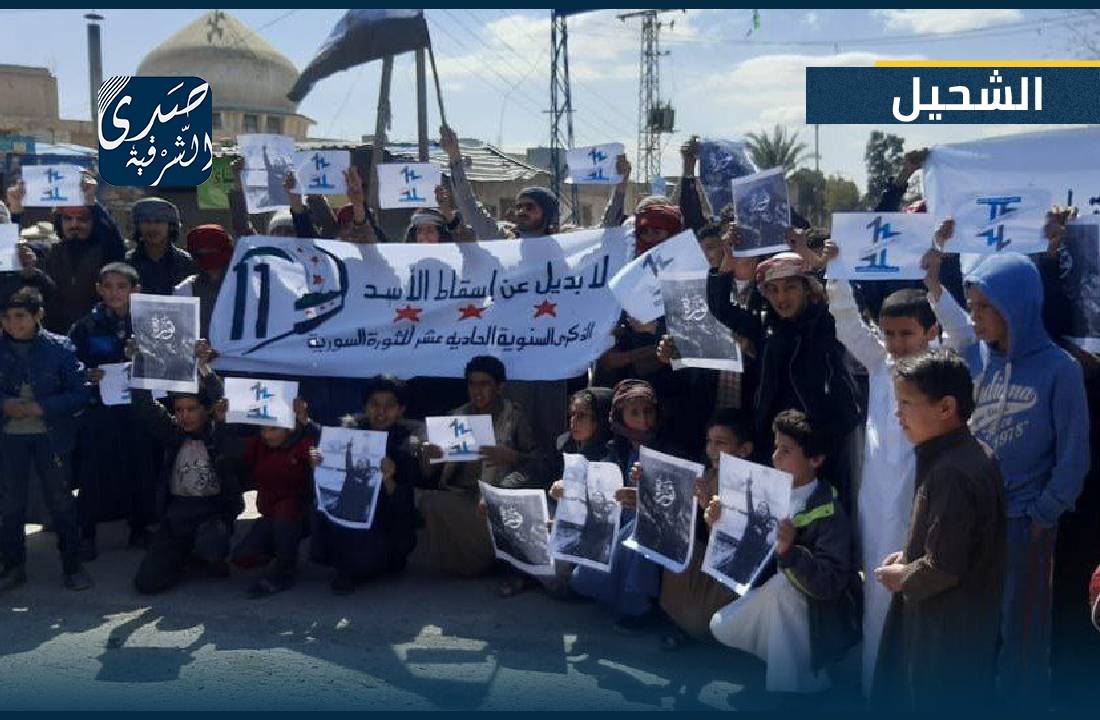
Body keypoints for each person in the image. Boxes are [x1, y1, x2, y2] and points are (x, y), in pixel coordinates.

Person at [928, 227, 1090, 705]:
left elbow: (1074, 455)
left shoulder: (1060, 369)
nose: (974, 318)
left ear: (1015, 306)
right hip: (974, 518)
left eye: (983, 308)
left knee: (1022, 632)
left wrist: (1044, 514)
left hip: (1024, 524)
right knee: (972, 623)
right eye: (972, 306)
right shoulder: (979, 360)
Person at [820, 240, 971, 694]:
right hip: (879, 504)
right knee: (878, 600)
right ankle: (874, 691)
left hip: (927, 503)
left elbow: (963, 334)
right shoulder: (882, 365)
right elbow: (847, 325)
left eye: (907, 334)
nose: (896, 344)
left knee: (923, 604)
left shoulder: (946, 367)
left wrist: (935, 288)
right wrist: (835, 271)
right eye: (890, 334)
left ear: (929, 332)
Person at [872, 349, 1007, 710]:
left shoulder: (953, 472)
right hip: (967, 626)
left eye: (906, 403)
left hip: (945, 633)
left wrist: (904, 576)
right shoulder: (967, 454)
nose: (897, 414)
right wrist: (909, 555)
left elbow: (944, 567)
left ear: (946, 407)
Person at [708, 410, 860, 694]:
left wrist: (791, 551)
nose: (776, 456)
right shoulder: (764, 494)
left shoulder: (829, 512)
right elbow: (744, 559)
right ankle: (799, 668)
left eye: (786, 450)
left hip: (821, 617)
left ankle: (792, 688)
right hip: (773, 601)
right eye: (776, 447)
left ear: (815, 460)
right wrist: (719, 523)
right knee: (721, 625)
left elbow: (830, 584)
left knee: (782, 589)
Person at [706, 243, 863, 502]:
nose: (782, 297)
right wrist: (727, 260)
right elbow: (720, 307)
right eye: (774, 289)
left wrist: (824, 263)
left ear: (806, 288)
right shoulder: (765, 325)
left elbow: (844, 304)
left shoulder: (826, 322)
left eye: (790, 287)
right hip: (774, 437)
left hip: (818, 437)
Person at [130, 340, 242, 595]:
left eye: (192, 409)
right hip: (177, 514)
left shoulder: (219, 434)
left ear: (207, 410)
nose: (185, 416)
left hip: (212, 513)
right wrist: (139, 362)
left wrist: (203, 367)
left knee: (212, 546)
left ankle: (205, 556)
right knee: (146, 584)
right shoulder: (173, 433)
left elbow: (221, 399)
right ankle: (182, 556)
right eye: (179, 410)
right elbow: (144, 407)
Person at [0, 287, 92, 592]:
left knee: (61, 502)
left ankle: (73, 565)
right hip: (10, 439)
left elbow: (80, 394)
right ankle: (13, 566)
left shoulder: (60, 348)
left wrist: (43, 407)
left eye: (20, 317)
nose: (13, 324)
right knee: (11, 505)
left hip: (50, 438)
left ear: (38, 315)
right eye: (7, 318)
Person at [419, 356, 541, 578]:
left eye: (485, 384)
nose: (477, 390)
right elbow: (430, 473)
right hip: (460, 495)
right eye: (472, 384)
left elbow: (539, 464)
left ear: (500, 387)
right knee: (430, 501)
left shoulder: (514, 418)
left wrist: (512, 457)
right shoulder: (455, 417)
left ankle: (486, 561)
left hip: (498, 496)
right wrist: (429, 457)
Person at [570, 380, 678, 632]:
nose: (644, 420)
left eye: (648, 411)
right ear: (620, 417)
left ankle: (638, 607)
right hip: (619, 522)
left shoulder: (671, 450)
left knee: (640, 530)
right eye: (634, 413)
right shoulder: (616, 450)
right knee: (580, 580)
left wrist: (647, 497)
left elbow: (678, 501)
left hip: (658, 530)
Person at [68, 262, 160, 557]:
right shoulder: (86, 325)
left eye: (122, 287)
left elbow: (171, 361)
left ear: (137, 290)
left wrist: (143, 354)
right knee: (93, 472)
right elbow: (70, 363)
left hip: (140, 408)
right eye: (107, 287)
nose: (114, 293)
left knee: (140, 467)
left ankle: (139, 528)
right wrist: (87, 373)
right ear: (98, 290)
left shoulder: (154, 324)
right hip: (102, 408)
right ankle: (86, 533)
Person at [310, 378, 426, 594]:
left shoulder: (408, 442)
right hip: (350, 515)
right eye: (374, 404)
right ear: (365, 407)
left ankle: (368, 565)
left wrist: (389, 479)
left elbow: (406, 504)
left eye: (389, 405)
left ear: (401, 410)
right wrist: (319, 461)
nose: (381, 412)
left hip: (387, 525)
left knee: (368, 556)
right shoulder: (349, 432)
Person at [658, 409, 753, 649]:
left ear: (744, 449)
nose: (712, 450)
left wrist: (713, 515)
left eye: (721, 443)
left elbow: (740, 548)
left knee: (703, 622)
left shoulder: (752, 486)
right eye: (709, 442)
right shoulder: (709, 474)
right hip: (700, 559)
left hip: (730, 571)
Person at [7, 173, 126, 334]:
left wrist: (92, 202)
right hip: (51, 342)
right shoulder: (45, 252)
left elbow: (114, 239)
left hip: (96, 340)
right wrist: (14, 211)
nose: (74, 224)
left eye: (83, 219)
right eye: (68, 218)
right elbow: (7, 256)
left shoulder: (106, 252)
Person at [230, 398, 318, 598]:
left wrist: (305, 420)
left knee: (286, 513)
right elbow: (229, 445)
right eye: (263, 430)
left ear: (288, 428)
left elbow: (322, 443)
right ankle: (278, 549)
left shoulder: (303, 444)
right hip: (269, 513)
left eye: (273, 429)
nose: (267, 435)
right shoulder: (259, 445)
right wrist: (220, 419)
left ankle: (285, 570)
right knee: (243, 558)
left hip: (298, 514)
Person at [124, 197, 197, 295]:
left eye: (159, 222)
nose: (152, 228)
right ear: (137, 226)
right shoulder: (125, 263)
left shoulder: (186, 263)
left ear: (171, 226)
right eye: (146, 222)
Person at [174, 224, 233, 338]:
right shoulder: (184, 290)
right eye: (200, 251)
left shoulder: (246, 286)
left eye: (212, 249)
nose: (206, 254)